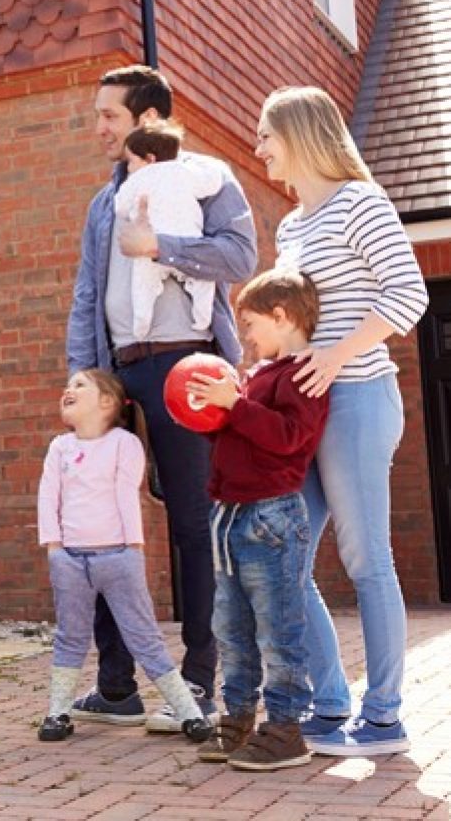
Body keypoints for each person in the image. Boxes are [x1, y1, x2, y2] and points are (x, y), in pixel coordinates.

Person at [67, 65, 258, 732]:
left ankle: (203, 677)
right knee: (104, 526)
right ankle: (116, 683)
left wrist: (161, 245)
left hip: (186, 363)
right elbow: (88, 294)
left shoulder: (207, 178)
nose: (99, 129)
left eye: (109, 116)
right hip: (119, 374)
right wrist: (83, 380)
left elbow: (240, 257)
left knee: (192, 524)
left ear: (146, 120)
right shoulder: (101, 203)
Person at [255, 86, 428, 757]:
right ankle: (330, 700)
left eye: (267, 134)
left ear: (298, 134)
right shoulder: (290, 226)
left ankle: (383, 714)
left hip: (357, 398)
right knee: (282, 559)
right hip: (305, 409)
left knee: (365, 558)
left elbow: (407, 294)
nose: (261, 147)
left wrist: (334, 355)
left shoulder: (362, 202)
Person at [183, 268, 329, 771]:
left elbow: (290, 438)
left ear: (281, 315)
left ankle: (286, 726)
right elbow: (237, 438)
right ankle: (238, 716)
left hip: (272, 517)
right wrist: (212, 416)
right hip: (227, 516)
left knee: (277, 628)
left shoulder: (303, 374)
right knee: (232, 626)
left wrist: (236, 406)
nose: (243, 336)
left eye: (248, 324)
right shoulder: (254, 377)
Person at [36, 369, 212, 745]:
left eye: (80, 384)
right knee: (71, 636)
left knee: (144, 637)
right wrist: (53, 547)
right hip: (70, 560)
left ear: (107, 402)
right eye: (68, 384)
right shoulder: (59, 448)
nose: (69, 389)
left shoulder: (123, 444)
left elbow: (126, 496)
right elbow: (48, 497)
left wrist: (134, 549)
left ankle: (189, 713)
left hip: (117, 556)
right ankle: (57, 711)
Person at [115, 121, 224, 340]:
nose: (128, 168)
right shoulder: (185, 170)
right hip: (188, 244)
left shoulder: (138, 178)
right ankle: (202, 318)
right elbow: (213, 182)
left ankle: (141, 325)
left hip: (149, 247)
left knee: (142, 287)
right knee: (203, 284)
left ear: (149, 159)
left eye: (131, 161)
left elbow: (120, 206)